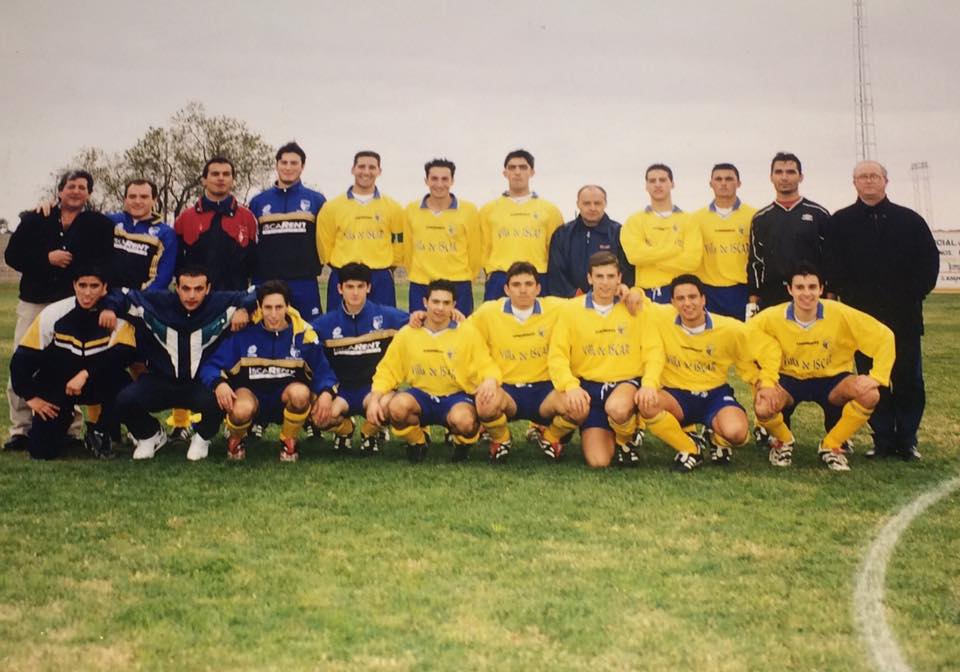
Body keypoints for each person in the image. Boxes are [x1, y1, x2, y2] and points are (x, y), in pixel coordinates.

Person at [825, 160, 940, 460]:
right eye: (862, 177)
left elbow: (929, 264)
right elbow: (833, 268)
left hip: (904, 317)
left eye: (874, 176)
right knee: (871, 380)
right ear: (854, 183)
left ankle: (908, 439)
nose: (868, 181)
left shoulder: (910, 221)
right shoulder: (841, 222)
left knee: (908, 379)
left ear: (885, 181)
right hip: (862, 320)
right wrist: (853, 301)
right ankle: (883, 439)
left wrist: (911, 295)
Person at [4, 170, 114, 452]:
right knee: (23, 358)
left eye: (82, 187)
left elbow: (102, 261)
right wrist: (46, 259)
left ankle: (70, 428)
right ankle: (20, 429)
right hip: (35, 300)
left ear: (89, 193)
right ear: (60, 190)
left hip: (71, 303)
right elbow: (12, 256)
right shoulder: (36, 219)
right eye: (71, 186)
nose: (76, 191)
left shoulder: (96, 224)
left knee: (69, 363)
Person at [748, 263, 895, 472]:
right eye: (800, 287)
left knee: (870, 394)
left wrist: (877, 376)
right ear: (789, 289)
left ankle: (832, 445)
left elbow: (884, 337)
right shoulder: (770, 317)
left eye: (812, 287)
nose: (806, 293)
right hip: (789, 380)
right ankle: (783, 442)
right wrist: (762, 381)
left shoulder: (840, 313)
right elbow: (742, 342)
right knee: (762, 404)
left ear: (821, 289)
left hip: (832, 381)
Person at [104, 264, 256, 461]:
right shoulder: (158, 301)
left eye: (198, 289)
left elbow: (257, 291)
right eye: (186, 288)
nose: (191, 295)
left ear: (208, 288)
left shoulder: (220, 303)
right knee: (125, 400)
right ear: (176, 288)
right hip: (162, 380)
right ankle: (150, 435)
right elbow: (120, 294)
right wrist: (109, 309)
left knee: (221, 398)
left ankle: (202, 437)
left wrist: (244, 308)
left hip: (200, 383)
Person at [636, 275, 779, 471]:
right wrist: (632, 292)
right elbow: (640, 301)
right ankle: (689, 448)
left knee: (737, 433)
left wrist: (767, 382)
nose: (687, 303)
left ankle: (717, 438)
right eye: (681, 298)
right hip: (676, 397)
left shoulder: (728, 328)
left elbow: (769, 347)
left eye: (692, 297)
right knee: (647, 403)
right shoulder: (662, 317)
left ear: (703, 299)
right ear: (672, 303)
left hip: (714, 396)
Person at [199, 280, 338, 462]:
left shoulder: (303, 336)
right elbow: (211, 365)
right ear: (259, 307)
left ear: (288, 307)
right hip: (252, 398)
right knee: (240, 409)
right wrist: (219, 384)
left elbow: (324, 371)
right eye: (268, 308)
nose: (273, 314)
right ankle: (236, 439)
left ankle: (289, 440)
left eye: (279, 307)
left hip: (285, 399)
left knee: (300, 393)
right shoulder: (245, 335)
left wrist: (326, 393)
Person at [9, 266, 136, 460]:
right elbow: (22, 359)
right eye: (82, 285)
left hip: (99, 382)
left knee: (125, 387)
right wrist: (30, 396)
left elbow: (123, 355)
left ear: (105, 288)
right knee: (41, 451)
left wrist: (85, 374)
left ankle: (102, 430)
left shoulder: (114, 315)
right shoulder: (54, 313)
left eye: (94, 286)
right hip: (60, 386)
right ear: (74, 285)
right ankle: (61, 424)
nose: (87, 292)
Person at [547, 251, 661, 468]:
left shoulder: (634, 306)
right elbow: (557, 356)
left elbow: (653, 351)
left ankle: (626, 439)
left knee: (617, 408)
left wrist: (649, 383)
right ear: (589, 278)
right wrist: (570, 386)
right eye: (599, 276)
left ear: (619, 278)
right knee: (598, 461)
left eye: (611, 276)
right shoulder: (571, 309)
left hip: (624, 384)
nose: (605, 282)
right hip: (589, 389)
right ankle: (574, 432)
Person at [367, 279, 499, 463]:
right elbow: (387, 370)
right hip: (421, 396)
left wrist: (490, 379)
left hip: (455, 396)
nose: (440, 308)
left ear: (454, 305)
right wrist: (374, 400)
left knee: (465, 422)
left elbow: (486, 363)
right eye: (435, 302)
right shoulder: (408, 333)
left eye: (446, 303)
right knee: (396, 407)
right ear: (425, 302)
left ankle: (462, 444)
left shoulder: (467, 332)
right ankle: (417, 442)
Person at [468, 261, 575, 463]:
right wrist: (432, 316)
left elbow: (592, 304)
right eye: (516, 285)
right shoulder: (489, 312)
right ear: (506, 289)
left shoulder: (557, 308)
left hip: (544, 390)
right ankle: (501, 439)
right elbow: (463, 331)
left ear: (538, 288)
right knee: (485, 404)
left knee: (579, 407)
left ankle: (550, 437)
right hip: (507, 390)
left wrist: (627, 293)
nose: (523, 290)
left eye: (528, 284)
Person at [310, 262, 410, 455]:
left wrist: (451, 317)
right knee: (318, 417)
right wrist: (325, 392)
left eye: (360, 286)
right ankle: (345, 429)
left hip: (373, 392)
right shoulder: (325, 324)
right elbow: (297, 330)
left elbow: (423, 320)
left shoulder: (386, 316)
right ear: (340, 289)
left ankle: (370, 431)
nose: (355, 293)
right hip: (342, 392)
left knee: (391, 406)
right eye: (349, 287)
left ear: (368, 288)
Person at [316, 150, 405, 309]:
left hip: (379, 278)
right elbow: (324, 245)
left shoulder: (393, 208)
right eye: (361, 166)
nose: (366, 172)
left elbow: (399, 244)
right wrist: (342, 268)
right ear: (353, 169)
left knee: (382, 323)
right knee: (340, 323)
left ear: (379, 171)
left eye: (372, 167)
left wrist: (387, 267)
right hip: (344, 275)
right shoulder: (332, 207)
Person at [248, 141, 326, 318]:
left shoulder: (316, 200)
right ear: (276, 165)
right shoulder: (258, 202)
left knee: (308, 330)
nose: (288, 167)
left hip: (303, 282)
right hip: (266, 282)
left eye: (294, 163)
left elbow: (324, 241)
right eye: (284, 162)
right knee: (265, 328)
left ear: (302, 166)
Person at [748, 152, 830, 312]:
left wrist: (830, 295)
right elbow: (756, 262)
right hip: (773, 297)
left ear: (801, 177)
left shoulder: (819, 214)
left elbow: (829, 259)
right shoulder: (761, 218)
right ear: (771, 177)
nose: (784, 177)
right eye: (779, 172)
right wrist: (753, 299)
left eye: (791, 172)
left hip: (810, 295)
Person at [478, 149, 564, 300]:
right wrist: (489, 272)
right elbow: (482, 247)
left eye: (523, 167)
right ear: (505, 173)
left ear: (532, 172)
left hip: (537, 276)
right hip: (500, 277)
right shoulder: (488, 210)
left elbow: (556, 249)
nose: (517, 172)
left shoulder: (550, 210)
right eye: (512, 168)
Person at [403, 159, 481, 315]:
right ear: (426, 180)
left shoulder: (469, 210)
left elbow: (475, 252)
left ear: (452, 181)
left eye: (445, 179)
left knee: (460, 328)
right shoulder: (411, 210)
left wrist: (464, 276)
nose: (439, 184)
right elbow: (407, 250)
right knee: (420, 328)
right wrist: (421, 273)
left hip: (458, 283)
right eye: (434, 179)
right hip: (421, 284)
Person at [174, 156, 258, 292]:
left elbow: (253, 262)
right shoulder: (186, 218)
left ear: (233, 181)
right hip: (196, 298)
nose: (221, 178)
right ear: (204, 180)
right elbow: (177, 262)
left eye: (226, 174)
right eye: (215, 174)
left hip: (235, 297)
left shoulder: (247, 217)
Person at [621, 164, 702, 303]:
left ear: (672, 184)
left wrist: (650, 258)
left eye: (663, 180)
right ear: (646, 186)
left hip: (682, 293)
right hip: (648, 293)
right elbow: (634, 256)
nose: (657, 184)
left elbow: (692, 261)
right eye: (652, 181)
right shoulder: (634, 221)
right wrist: (674, 250)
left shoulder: (689, 220)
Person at [690, 164, 757, 319]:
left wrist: (755, 294)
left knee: (744, 333)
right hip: (709, 291)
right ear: (711, 184)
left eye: (729, 179)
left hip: (743, 290)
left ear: (739, 183)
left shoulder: (754, 216)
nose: (723, 183)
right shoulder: (695, 219)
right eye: (718, 179)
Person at [546, 185, 634, 297]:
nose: (592, 208)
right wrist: (574, 295)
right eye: (587, 203)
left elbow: (628, 270)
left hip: (610, 300)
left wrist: (615, 290)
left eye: (597, 203)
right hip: (571, 302)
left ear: (605, 204)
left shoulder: (619, 233)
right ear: (578, 204)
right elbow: (556, 271)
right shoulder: (562, 234)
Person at [107, 179, 178, 292]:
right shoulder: (109, 222)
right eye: (132, 196)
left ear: (154, 200)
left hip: (142, 299)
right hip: (106, 296)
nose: (137, 201)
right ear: (125, 199)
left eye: (144, 197)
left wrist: (135, 299)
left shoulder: (166, 234)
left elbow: (163, 278)